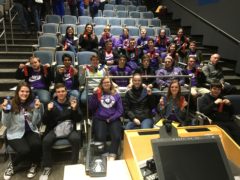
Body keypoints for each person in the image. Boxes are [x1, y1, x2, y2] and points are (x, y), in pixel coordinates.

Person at [39, 83, 82, 179]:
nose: (61, 93)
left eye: (63, 91)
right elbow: (44, 121)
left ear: (66, 92)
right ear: (56, 93)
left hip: (69, 128)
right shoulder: (51, 104)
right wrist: (48, 111)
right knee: (46, 141)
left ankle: (74, 164)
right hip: (55, 129)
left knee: (76, 139)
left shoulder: (73, 102)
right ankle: (47, 167)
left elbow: (78, 119)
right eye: (58, 92)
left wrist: (74, 109)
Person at [1, 82, 43, 180]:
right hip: (15, 133)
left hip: (30, 130)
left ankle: (34, 164)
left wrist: (37, 110)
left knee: (37, 144)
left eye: (27, 91)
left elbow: (36, 122)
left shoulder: (32, 103)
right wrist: (6, 112)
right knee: (25, 150)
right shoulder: (10, 103)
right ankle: (12, 165)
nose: (25, 93)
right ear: (17, 92)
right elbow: (6, 124)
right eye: (22, 91)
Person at [89, 76, 123, 160]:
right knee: (100, 137)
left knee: (117, 136)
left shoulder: (116, 94)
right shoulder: (98, 93)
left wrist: (112, 118)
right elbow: (92, 108)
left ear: (111, 84)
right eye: (104, 82)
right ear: (101, 84)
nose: (106, 84)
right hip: (100, 118)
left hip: (113, 118)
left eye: (108, 82)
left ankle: (112, 153)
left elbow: (120, 110)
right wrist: (95, 96)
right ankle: (105, 152)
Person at [199, 81, 240, 145]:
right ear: (210, 89)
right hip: (215, 121)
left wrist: (230, 105)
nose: (216, 91)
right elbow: (203, 111)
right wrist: (214, 103)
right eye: (214, 89)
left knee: (238, 134)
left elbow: (232, 112)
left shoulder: (222, 98)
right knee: (227, 137)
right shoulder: (204, 98)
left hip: (228, 120)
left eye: (219, 89)